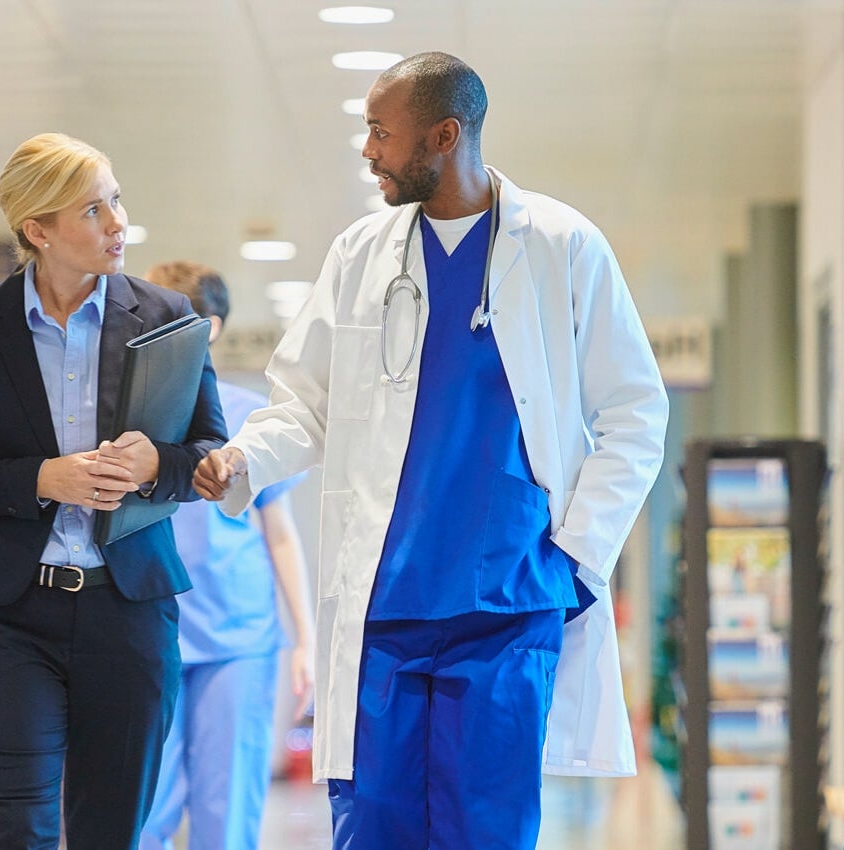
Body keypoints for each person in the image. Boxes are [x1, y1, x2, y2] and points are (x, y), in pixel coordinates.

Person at [194, 52, 668, 849]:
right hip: (384, 605)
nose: (368, 150)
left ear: (445, 136)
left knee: (484, 831)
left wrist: (575, 560)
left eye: (382, 132)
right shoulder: (359, 254)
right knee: (372, 827)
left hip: (508, 605)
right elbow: (304, 405)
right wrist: (245, 459)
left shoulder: (561, 245)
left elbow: (633, 411)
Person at [0, 133, 229, 848]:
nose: (118, 223)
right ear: (38, 230)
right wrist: (41, 478)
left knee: (109, 832)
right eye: (93, 209)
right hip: (7, 614)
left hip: (130, 611)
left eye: (116, 200)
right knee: (16, 828)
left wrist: (155, 464)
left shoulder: (168, 315)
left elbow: (210, 451)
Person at [139, 261, 316, 850]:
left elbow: (280, 533)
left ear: (208, 327)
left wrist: (307, 640)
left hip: (238, 638)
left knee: (227, 810)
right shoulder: (132, 416)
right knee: (143, 811)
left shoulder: (249, 420)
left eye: (172, 316)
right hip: (149, 631)